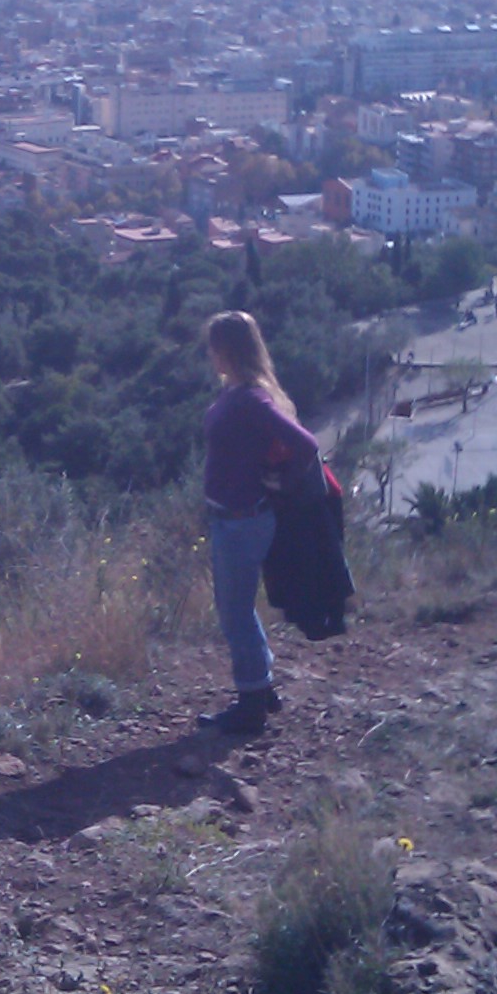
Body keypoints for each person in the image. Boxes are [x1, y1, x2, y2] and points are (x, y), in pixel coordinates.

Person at [199, 309, 320, 735]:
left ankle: (250, 707)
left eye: (213, 346)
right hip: (233, 518)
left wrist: (281, 482)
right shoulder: (238, 392)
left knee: (234, 613)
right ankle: (261, 687)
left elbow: (306, 445)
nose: (210, 354)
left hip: (242, 521)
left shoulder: (250, 398)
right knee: (237, 607)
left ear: (228, 349)